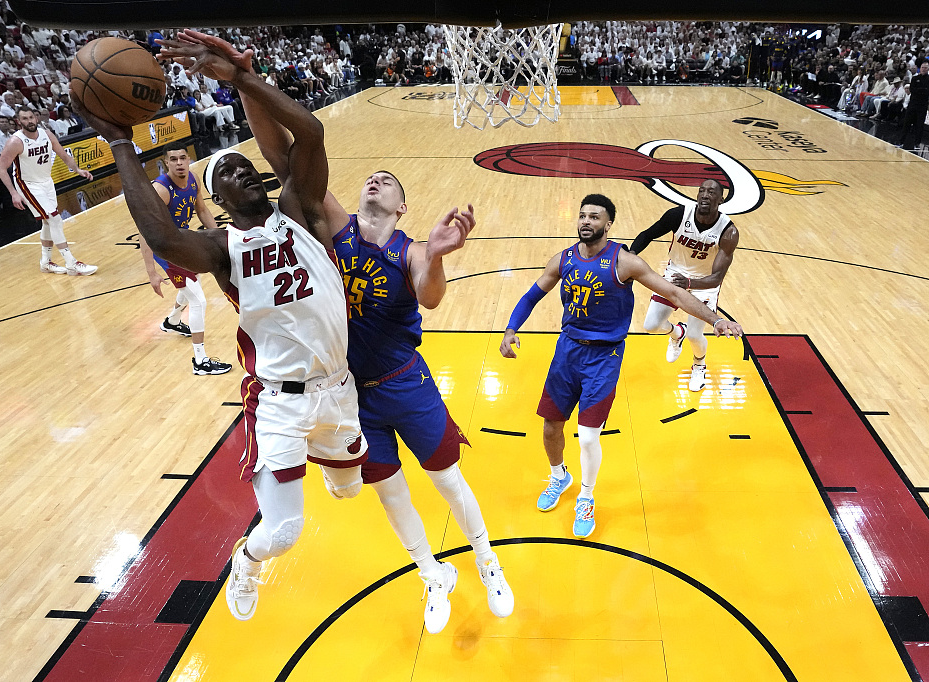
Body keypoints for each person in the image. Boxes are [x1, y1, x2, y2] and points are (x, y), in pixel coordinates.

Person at [218, 31, 513, 633]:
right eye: (371, 177)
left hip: (404, 380)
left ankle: (487, 560)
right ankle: (433, 574)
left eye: (388, 181)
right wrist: (242, 84)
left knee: (448, 479)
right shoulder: (334, 226)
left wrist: (438, 254)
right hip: (351, 392)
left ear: (402, 206)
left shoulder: (408, 250)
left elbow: (430, 298)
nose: (376, 180)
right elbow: (281, 158)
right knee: (389, 493)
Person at [76, 28, 370, 623]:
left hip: (339, 388)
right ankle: (247, 560)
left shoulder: (300, 213)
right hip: (281, 402)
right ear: (218, 194)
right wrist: (121, 145)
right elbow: (161, 236)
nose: (244, 171)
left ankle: (315, 470)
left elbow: (309, 133)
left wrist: (242, 79)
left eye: (248, 165)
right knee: (284, 531)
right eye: (230, 171)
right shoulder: (221, 249)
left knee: (349, 490)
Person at [500, 194, 742, 538]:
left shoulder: (624, 262)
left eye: (594, 217)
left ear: (608, 224)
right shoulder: (563, 259)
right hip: (567, 353)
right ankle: (559, 477)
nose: (586, 221)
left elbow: (675, 295)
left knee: (586, 437)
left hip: (604, 357)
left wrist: (715, 319)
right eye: (582, 216)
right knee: (551, 427)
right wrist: (511, 329)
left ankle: (586, 496)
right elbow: (531, 295)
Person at [628, 180, 740, 392]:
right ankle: (676, 332)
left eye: (711, 192)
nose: (705, 195)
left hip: (704, 283)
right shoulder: (678, 215)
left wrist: (690, 284)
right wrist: (632, 254)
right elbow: (647, 234)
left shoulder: (728, 232)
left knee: (695, 336)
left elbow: (717, 277)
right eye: (702, 190)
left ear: (721, 199)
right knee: (651, 326)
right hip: (675, 274)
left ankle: (699, 364)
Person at [143, 141, 232, 375]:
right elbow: (144, 230)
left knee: (192, 286)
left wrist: (220, 239)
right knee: (198, 299)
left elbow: (202, 210)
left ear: (189, 158)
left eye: (182, 158)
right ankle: (200, 361)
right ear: (165, 163)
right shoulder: (161, 190)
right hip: (164, 247)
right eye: (173, 159)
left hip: (181, 241)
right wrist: (152, 272)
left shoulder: (192, 179)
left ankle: (171, 321)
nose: (179, 163)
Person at [0, 106, 97, 275]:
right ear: (19, 122)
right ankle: (71, 263)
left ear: (36, 118)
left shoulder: (47, 135)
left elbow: (63, 155)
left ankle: (46, 262)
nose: (29, 121)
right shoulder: (16, 142)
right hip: (27, 184)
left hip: (46, 182)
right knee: (55, 220)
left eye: (31, 117)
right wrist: (14, 193)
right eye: (25, 119)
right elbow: (0, 168)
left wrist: (78, 170)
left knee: (47, 221)